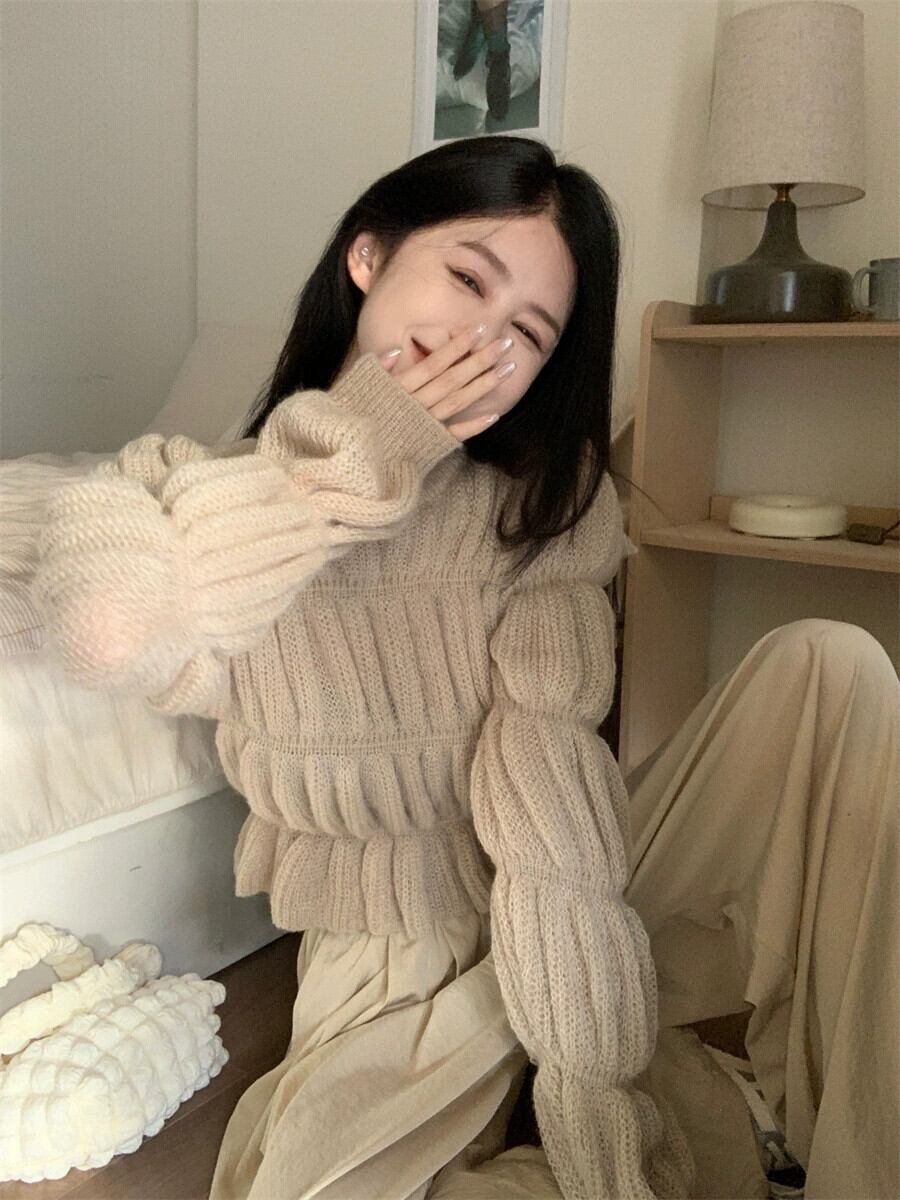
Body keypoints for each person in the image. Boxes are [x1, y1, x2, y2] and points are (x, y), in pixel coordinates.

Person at [30, 135, 899, 1200]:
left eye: (527, 333)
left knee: (830, 668)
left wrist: (591, 1061)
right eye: (468, 280)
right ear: (368, 258)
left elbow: (548, 768)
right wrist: (362, 451)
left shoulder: (541, 502)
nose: (480, 343)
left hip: (572, 879)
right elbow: (108, 629)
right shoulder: (186, 483)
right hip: (394, 950)